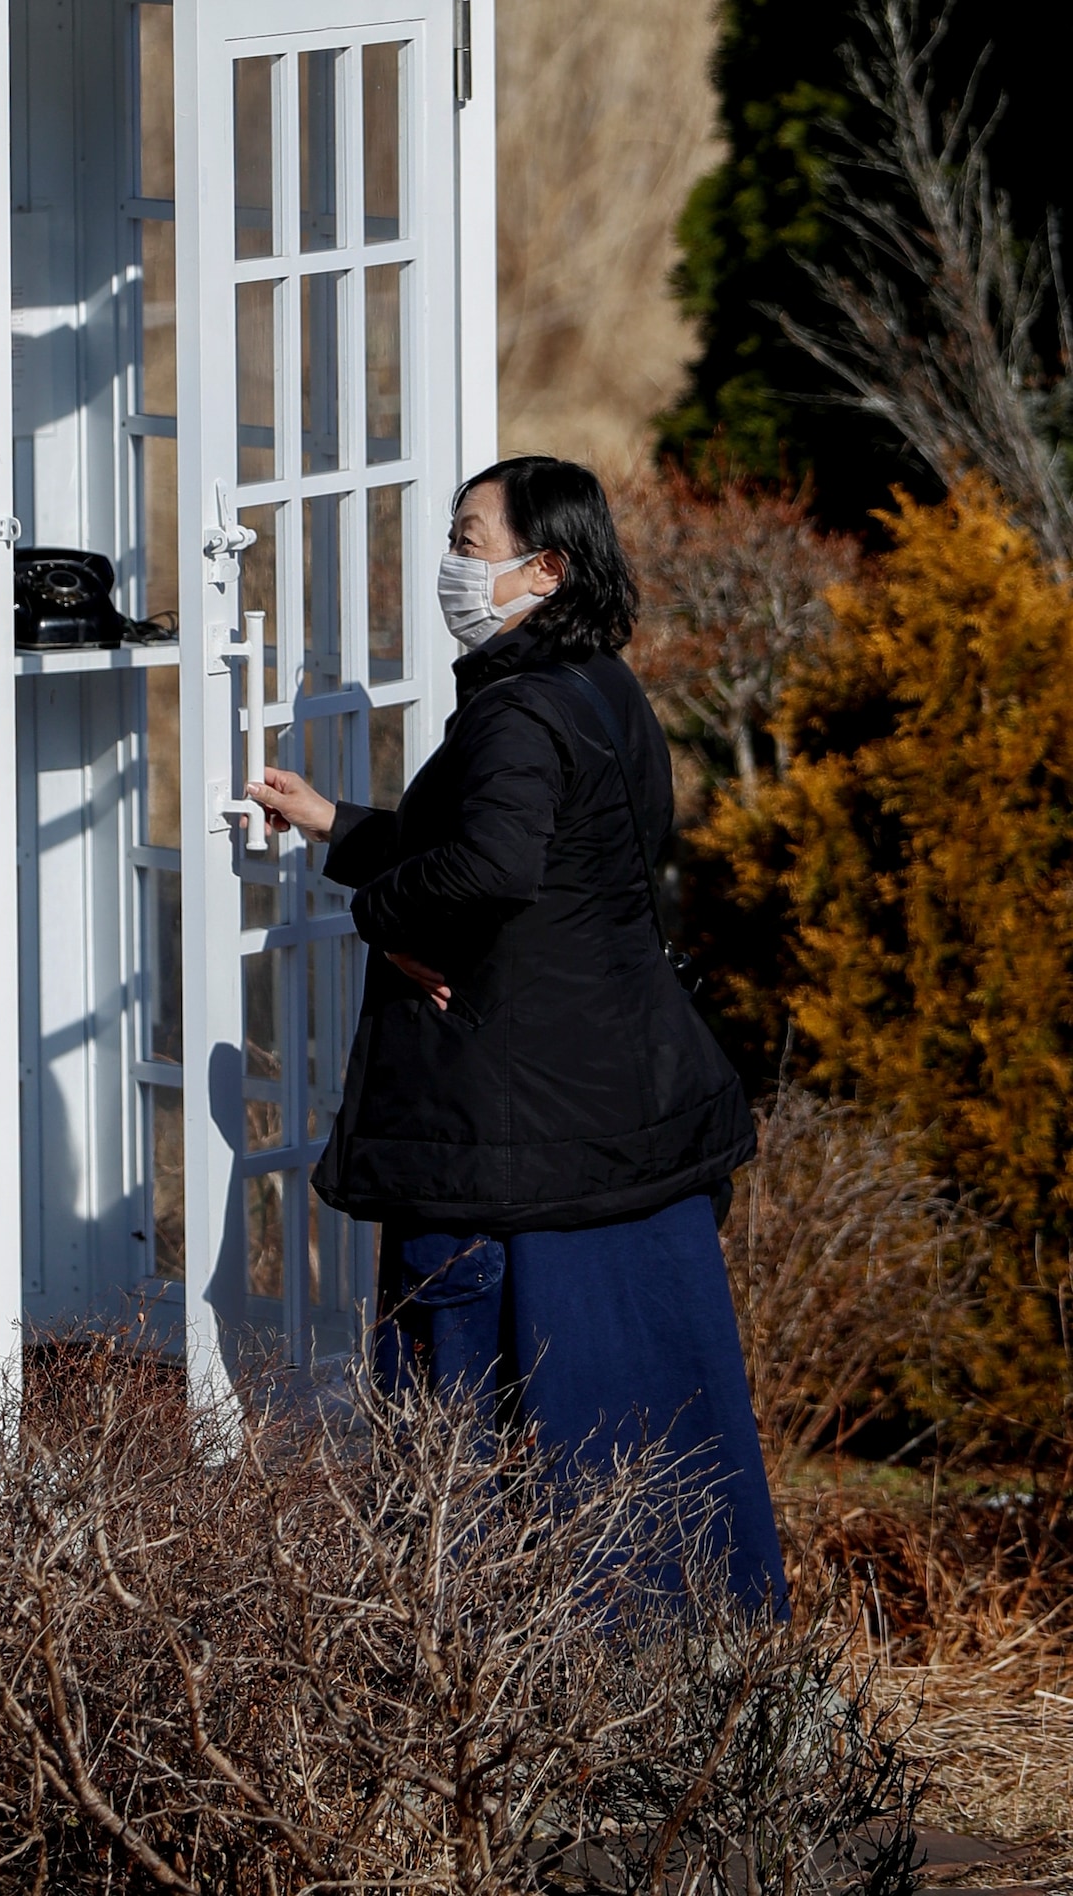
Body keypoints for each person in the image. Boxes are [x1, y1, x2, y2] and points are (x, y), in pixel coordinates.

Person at [246, 455, 787, 1611]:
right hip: (622, 1114)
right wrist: (339, 827)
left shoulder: (515, 708)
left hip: (511, 1140)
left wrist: (381, 918)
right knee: (653, 1437)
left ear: (543, 567)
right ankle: (700, 1652)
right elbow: (544, 864)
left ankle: (483, 1683)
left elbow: (491, 866)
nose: (451, 560)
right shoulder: (598, 685)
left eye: (468, 538)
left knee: (470, 1440)